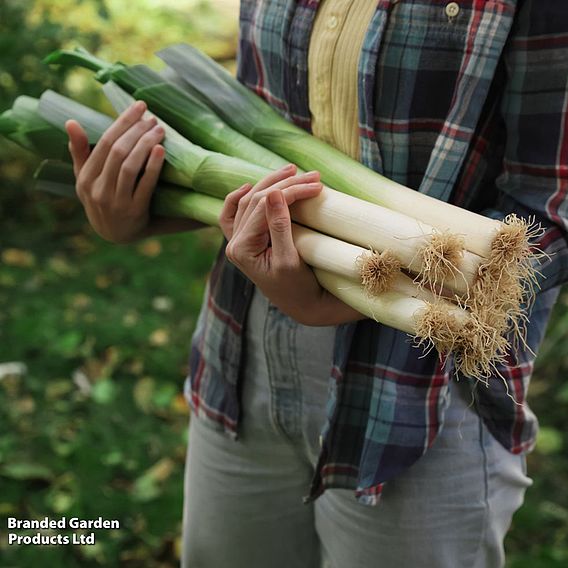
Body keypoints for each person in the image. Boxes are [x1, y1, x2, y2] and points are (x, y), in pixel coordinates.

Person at [65, 0, 568, 566]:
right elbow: (255, 148)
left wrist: (419, 279)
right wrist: (141, 209)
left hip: (428, 379)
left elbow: (552, 208)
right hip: (241, 350)